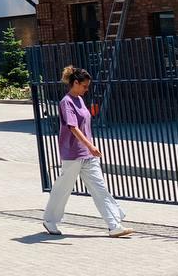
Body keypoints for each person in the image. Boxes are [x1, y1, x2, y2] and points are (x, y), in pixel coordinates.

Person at [42, 65, 133, 238]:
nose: (86, 89)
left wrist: (89, 148)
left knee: (100, 187)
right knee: (63, 189)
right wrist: (90, 146)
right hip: (72, 154)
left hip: (87, 154)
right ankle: (50, 220)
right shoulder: (66, 102)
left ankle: (114, 225)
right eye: (84, 86)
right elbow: (73, 127)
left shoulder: (80, 100)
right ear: (75, 83)